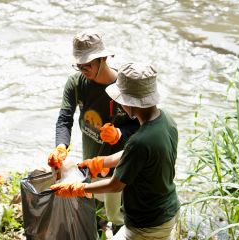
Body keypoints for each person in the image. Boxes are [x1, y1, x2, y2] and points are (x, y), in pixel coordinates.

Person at [51, 63, 181, 240]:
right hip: (168, 209)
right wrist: (101, 162)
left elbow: (115, 185)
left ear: (130, 103)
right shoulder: (166, 119)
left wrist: (79, 188)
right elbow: (135, 155)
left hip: (147, 224)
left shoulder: (140, 141)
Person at [47, 31, 140, 232]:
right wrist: (61, 146)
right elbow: (64, 119)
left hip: (120, 169)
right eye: (78, 65)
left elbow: (143, 127)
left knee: (120, 221)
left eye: (87, 65)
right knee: (91, 216)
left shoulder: (124, 85)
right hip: (91, 163)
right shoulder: (76, 83)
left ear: (103, 58)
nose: (83, 70)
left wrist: (120, 134)